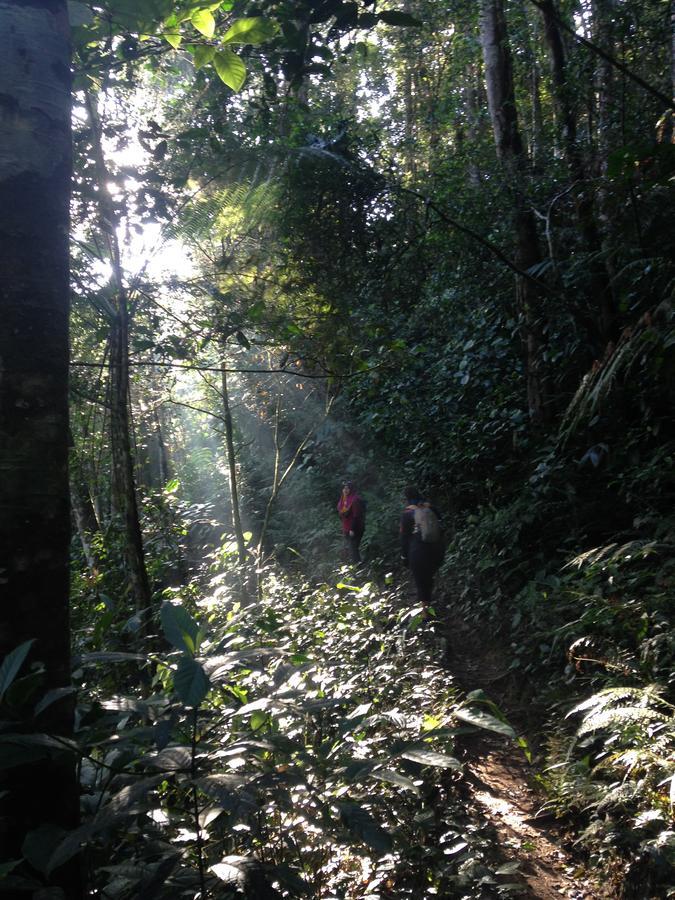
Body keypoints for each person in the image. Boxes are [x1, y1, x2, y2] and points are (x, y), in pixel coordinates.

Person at [400, 485, 444, 608]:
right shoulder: (431, 508)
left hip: (417, 550)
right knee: (429, 577)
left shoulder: (407, 513)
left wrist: (404, 556)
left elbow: (404, 538)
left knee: (421, 582)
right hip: (436, 548)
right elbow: (441, 525)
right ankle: (429, 603)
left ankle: (425, 616)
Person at [337, 480, 366, 563]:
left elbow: (356, 516)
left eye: (347, 488)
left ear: (351, 489)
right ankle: (357, 567)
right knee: (352, 549)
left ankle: (358, 567)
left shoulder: (355, 500)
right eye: (344, 488)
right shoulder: (343, 499)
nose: (345, 490)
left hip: (355, 528)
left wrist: (352, 529)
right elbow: (341, 513)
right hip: (346, 528)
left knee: (353, 549)